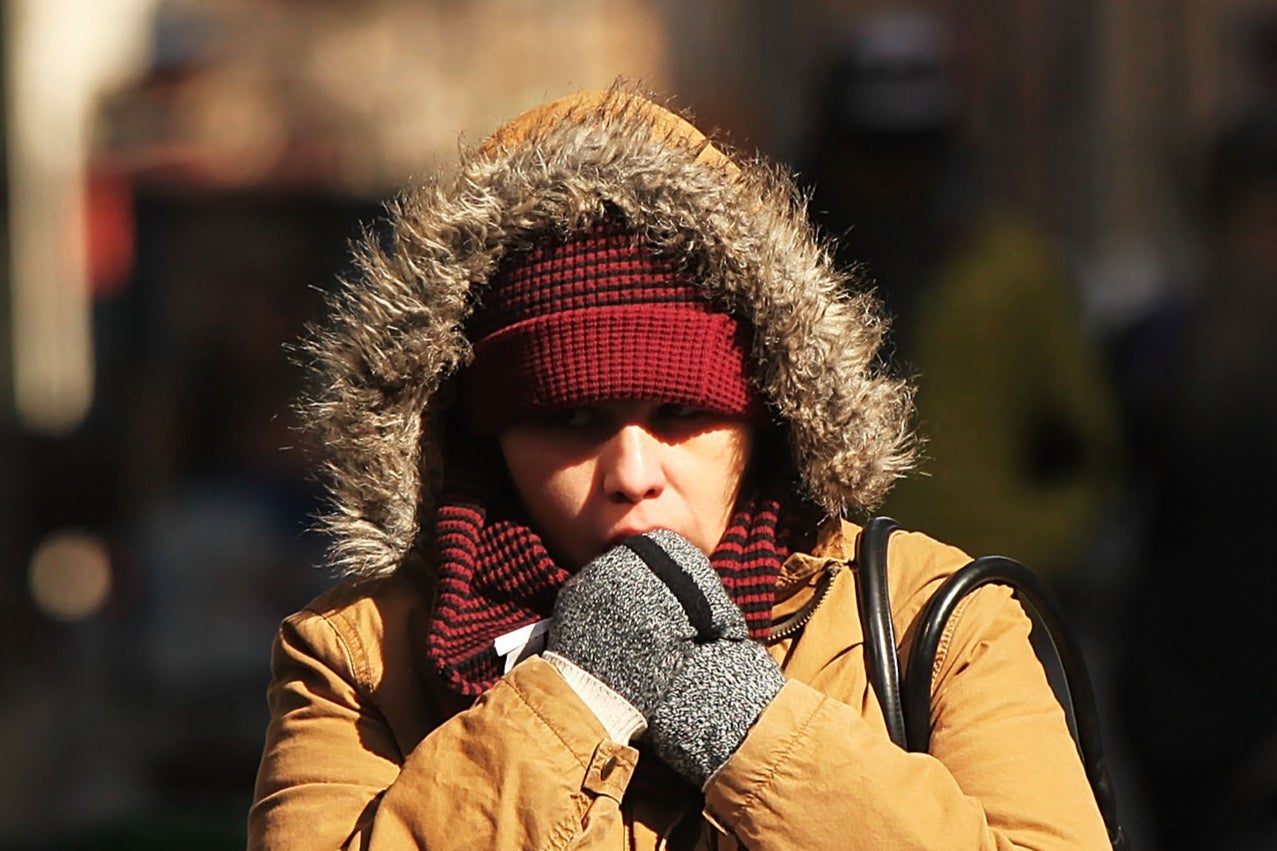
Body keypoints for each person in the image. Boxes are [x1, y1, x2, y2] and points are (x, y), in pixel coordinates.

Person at [248, 86, 1111, 849]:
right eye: (570, 419)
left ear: (767, 413)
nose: (630, 469)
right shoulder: (358, 656)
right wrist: (571, 698)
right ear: (481, 432)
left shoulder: (932, 619)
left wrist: (740, 718)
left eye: (681, 414)